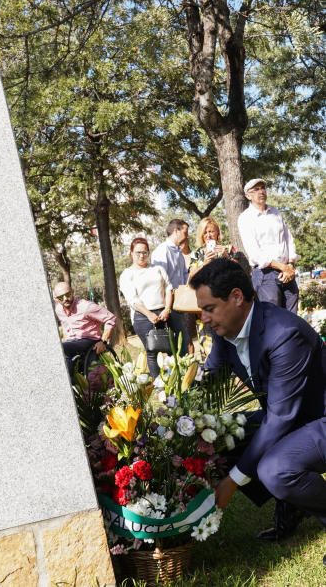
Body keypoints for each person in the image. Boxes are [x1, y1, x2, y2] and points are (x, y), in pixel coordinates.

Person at [189, 259, 325, 540]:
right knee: (218, 436)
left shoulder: (283, 334)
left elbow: (279, 419)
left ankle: (290, 489)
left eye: (209, 308)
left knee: (275, 469)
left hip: (318, 417)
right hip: (292, 417)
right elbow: (208, 382)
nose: (203, 318)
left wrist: (233, 480)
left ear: (237, 297)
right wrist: (176, 414)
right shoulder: (225, 333)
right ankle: (293, 502)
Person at [238, 178, 299, 313]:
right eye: (256, 189)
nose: (261, 192)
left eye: (263, 188)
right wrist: (283, 267)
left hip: (287, 271)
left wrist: (290, 264)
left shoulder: (275, 212)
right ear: (248, 196)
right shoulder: (245, 218)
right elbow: (255, 253)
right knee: (273, 320)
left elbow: (288, 238)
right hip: (266, 275)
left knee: (293, 318)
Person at [120, 237, 173, 378]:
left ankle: (175, 382)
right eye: (138, 252)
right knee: (152, 352)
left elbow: (168, 288)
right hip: (143, 316)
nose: (141, 255)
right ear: (131, 253)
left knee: (171, 349)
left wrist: (167, 309)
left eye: (145, 252)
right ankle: (159, 385)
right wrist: (149, 314)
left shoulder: (157, 268)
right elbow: (132, 300)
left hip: (164, 313)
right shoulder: (127, 274)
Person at [53, 282, 116, 378]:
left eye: (68, 294)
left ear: (72, 292)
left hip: (89, 341)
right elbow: (65, 326)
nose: (65, 299)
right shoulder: (58, 309)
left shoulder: (86, 307)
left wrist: (103, 341)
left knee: (62, 348)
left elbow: (110, 319)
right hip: (72, 342)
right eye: (61, 297)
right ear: (56, 299)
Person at [151, 219, 190, 352]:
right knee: (173, 345)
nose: (187, 235)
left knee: (183, 341)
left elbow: (184, 276)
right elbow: (159, 281)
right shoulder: (162, 251)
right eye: (185, 231)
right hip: (167, 305)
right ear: (176, 231)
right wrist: (167, 306)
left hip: (180, 302)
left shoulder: (179, 252)